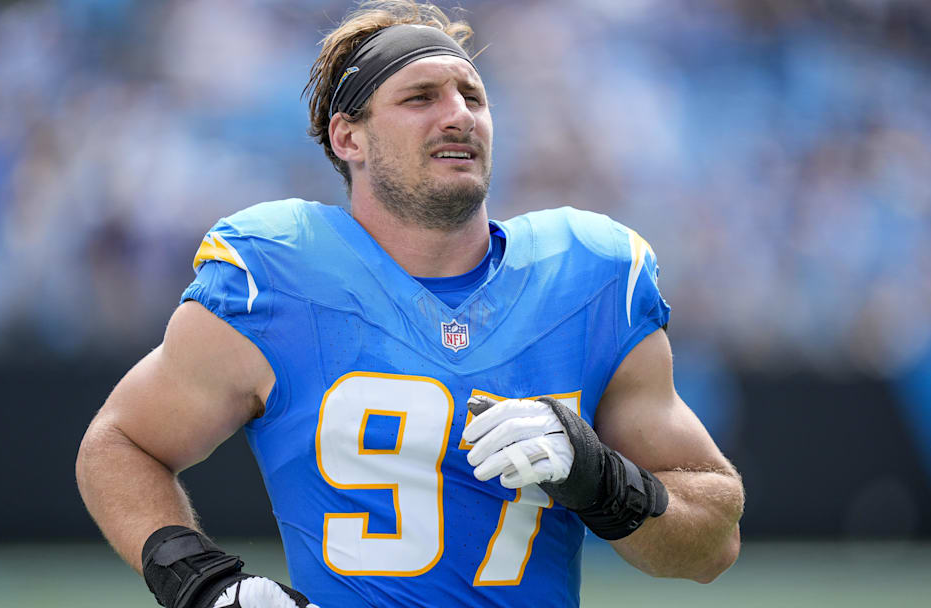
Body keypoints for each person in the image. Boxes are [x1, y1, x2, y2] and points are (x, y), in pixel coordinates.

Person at [75, 2, 745, 607]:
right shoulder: (277, 274)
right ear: (349, 139)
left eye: (472, 96)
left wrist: (603, 478)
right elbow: (121, 443)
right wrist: (201, 582)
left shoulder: (590, 276)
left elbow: (714, 540)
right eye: (420, 97)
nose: (459, 113)